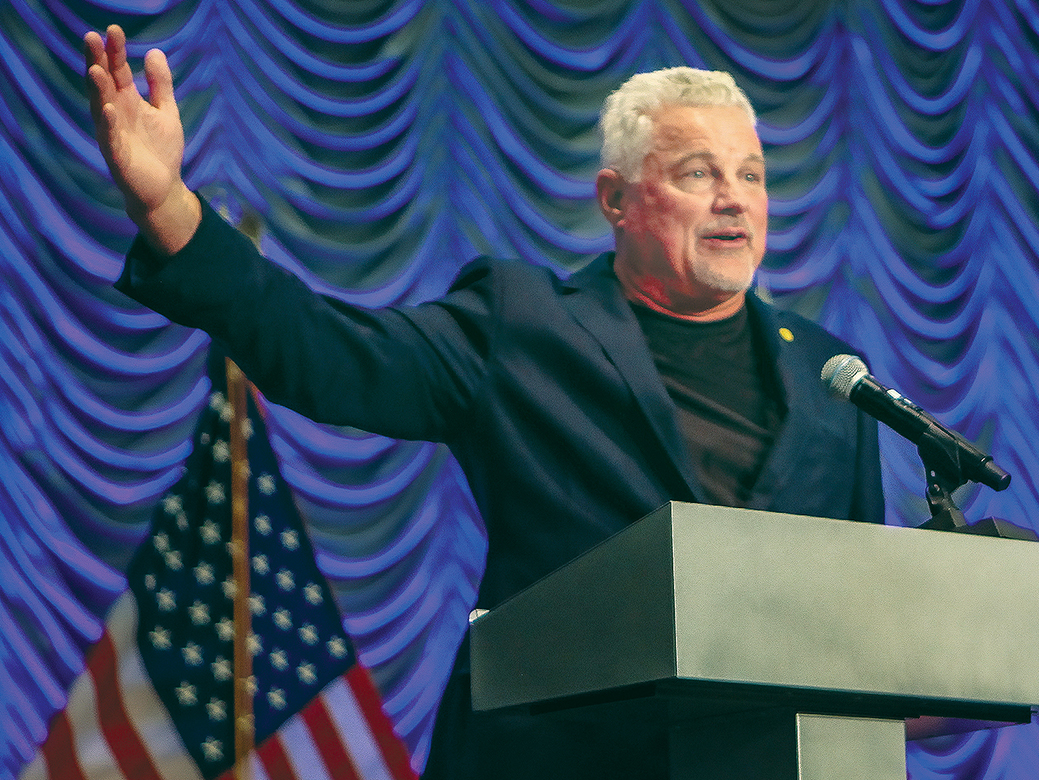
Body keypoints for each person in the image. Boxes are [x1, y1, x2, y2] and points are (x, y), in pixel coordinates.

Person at [85, 24, 884, 780]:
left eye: (751, 175)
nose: (735, 200)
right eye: (699, 173)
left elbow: (869, 616)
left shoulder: (829, 374)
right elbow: (333, 357)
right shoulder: (523, 322)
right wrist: (171, 213)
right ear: (616, 199)